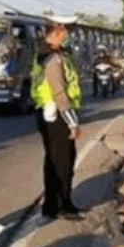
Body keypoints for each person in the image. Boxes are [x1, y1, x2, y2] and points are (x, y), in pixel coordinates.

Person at [32, 13, 84, 220]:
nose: (69, 35)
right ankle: (63, 204)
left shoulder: (47, 53)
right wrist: (73, 122)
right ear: (57, 30)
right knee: (63, 160)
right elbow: (59, 91)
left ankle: (51, 205)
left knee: (53, 159)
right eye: (67, 30)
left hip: (48, 113)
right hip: (57, 114)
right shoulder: (53, 58)